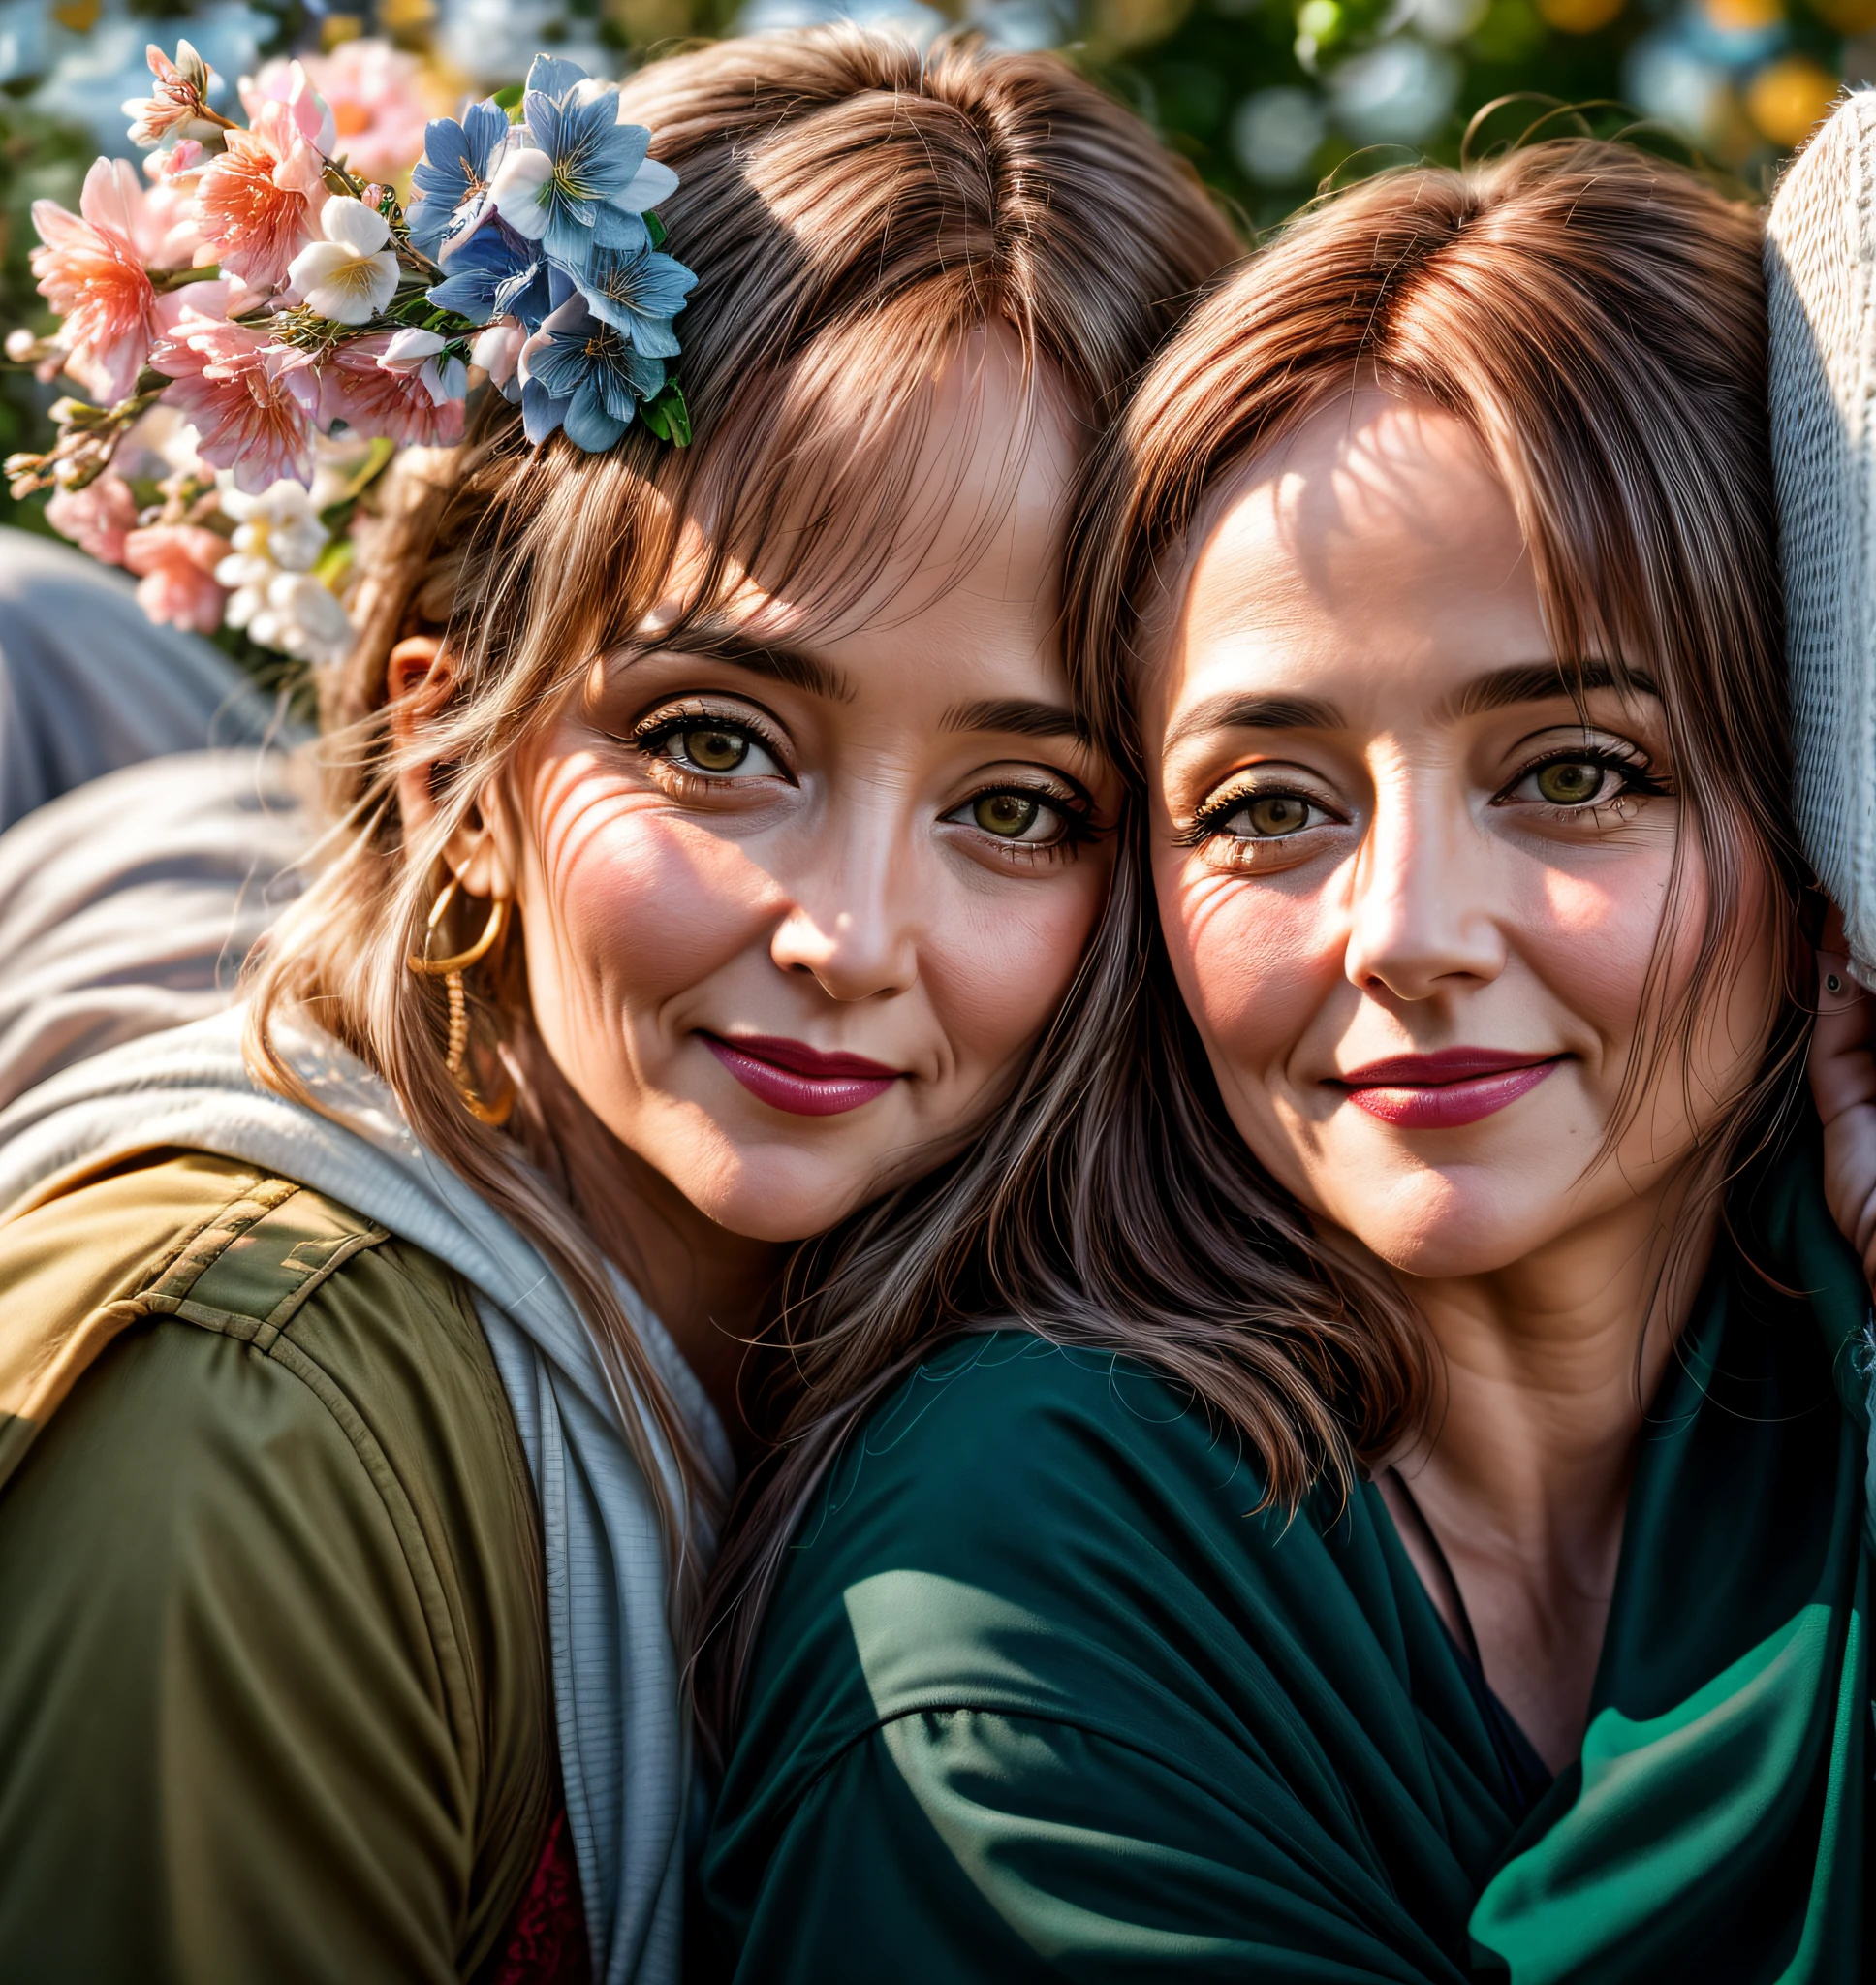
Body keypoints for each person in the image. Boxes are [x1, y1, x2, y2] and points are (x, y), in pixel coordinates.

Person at [0, 28, 1236, 1983]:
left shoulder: (1012, 1382)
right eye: (717, 741)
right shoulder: (246, 1445)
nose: (846, 929)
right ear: (448, 760)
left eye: (1016, 804)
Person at [696, 141, 1876, 1978]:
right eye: (1267, 805)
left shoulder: (1836, 1397)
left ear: (1800, 813)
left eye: (1575, 774)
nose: (1404, 928)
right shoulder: (1014, 1595)